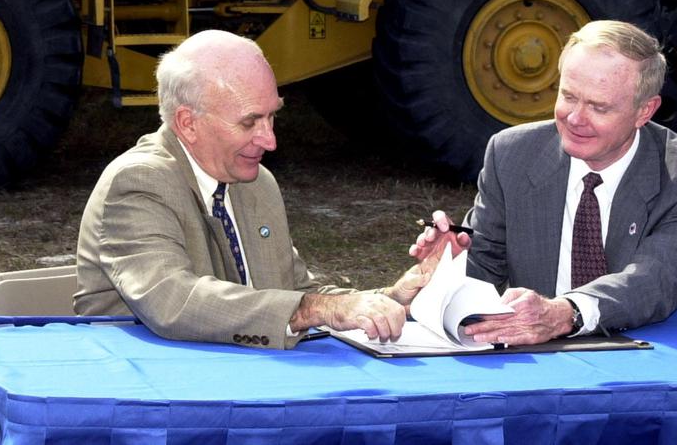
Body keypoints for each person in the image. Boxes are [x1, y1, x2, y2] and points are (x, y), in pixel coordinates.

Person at [75, 30, 426, 349]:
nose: (270, 140)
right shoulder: (138, 182)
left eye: (272, 117)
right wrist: (318, 308)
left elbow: (298, 295)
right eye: (249, 122)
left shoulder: (255, 183)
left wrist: (391, 300)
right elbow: (174, 301)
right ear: (188, 123)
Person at [412, 19, 677, 345]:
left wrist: (565, 313)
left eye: (599, 106)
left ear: (645, 111)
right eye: (568, 96)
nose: (576, 118)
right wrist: (449, 266)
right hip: (539, 355)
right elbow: (483, 267)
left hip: (649, 349)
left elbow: (654, 281)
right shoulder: (510, 154)